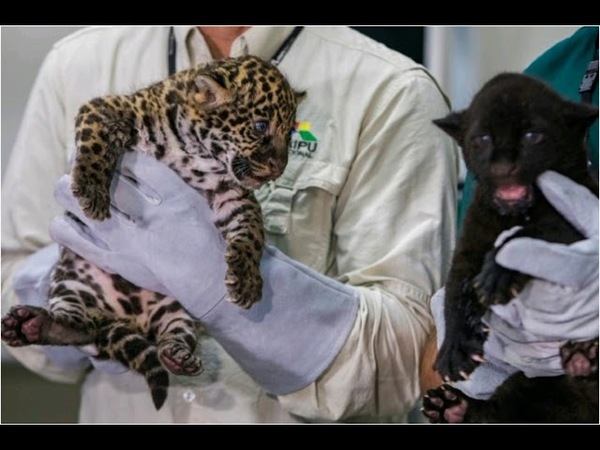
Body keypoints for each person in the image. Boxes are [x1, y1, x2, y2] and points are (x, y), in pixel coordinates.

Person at [1, 26, 459, 423]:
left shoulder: (394, 91)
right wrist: (76, 282)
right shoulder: (76, 62)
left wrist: (214, 282)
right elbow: (9, 294)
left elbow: (411, 363)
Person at [422, 26, 599, 411]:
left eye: (532, 139)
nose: (503, 165)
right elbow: (465, 267)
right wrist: (458, 337)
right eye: (483, 144)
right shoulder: (557, 72)